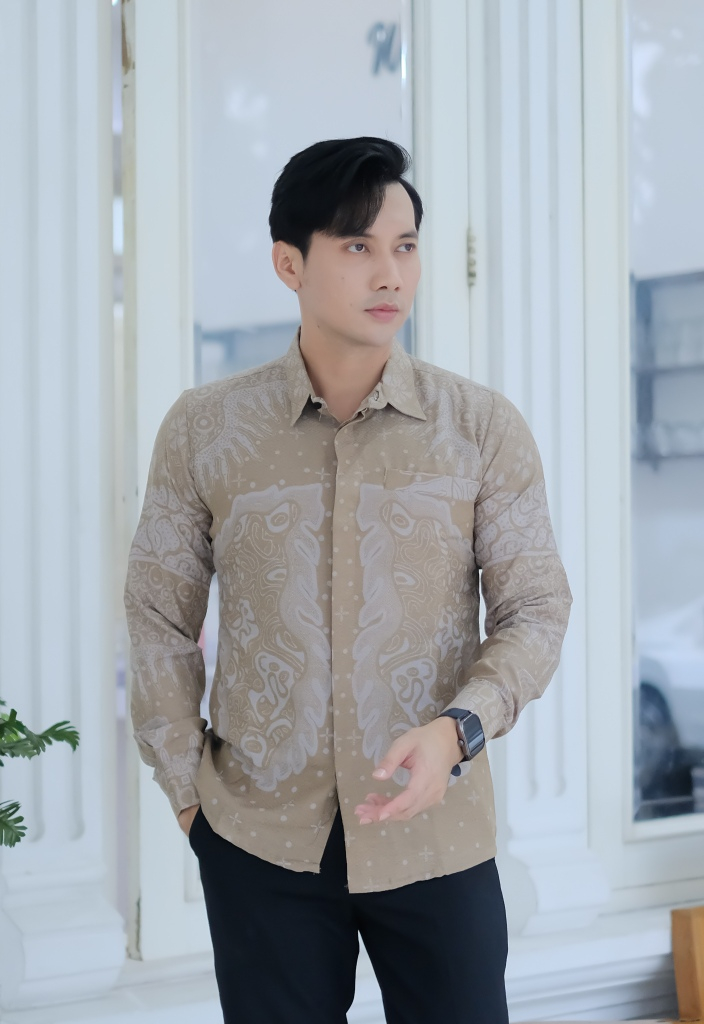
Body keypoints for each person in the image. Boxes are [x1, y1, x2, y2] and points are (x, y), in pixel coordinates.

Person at [124, 137, 572, 1024]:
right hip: (258, 842)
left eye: (405, 246)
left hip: (436, 834)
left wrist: (458, 732)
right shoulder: (203, 430)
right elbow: (156, 618)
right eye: (358, 245)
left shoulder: (482, 428)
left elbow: (536, 610)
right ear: (290, 263)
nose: (390, 273)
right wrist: (189, 799)